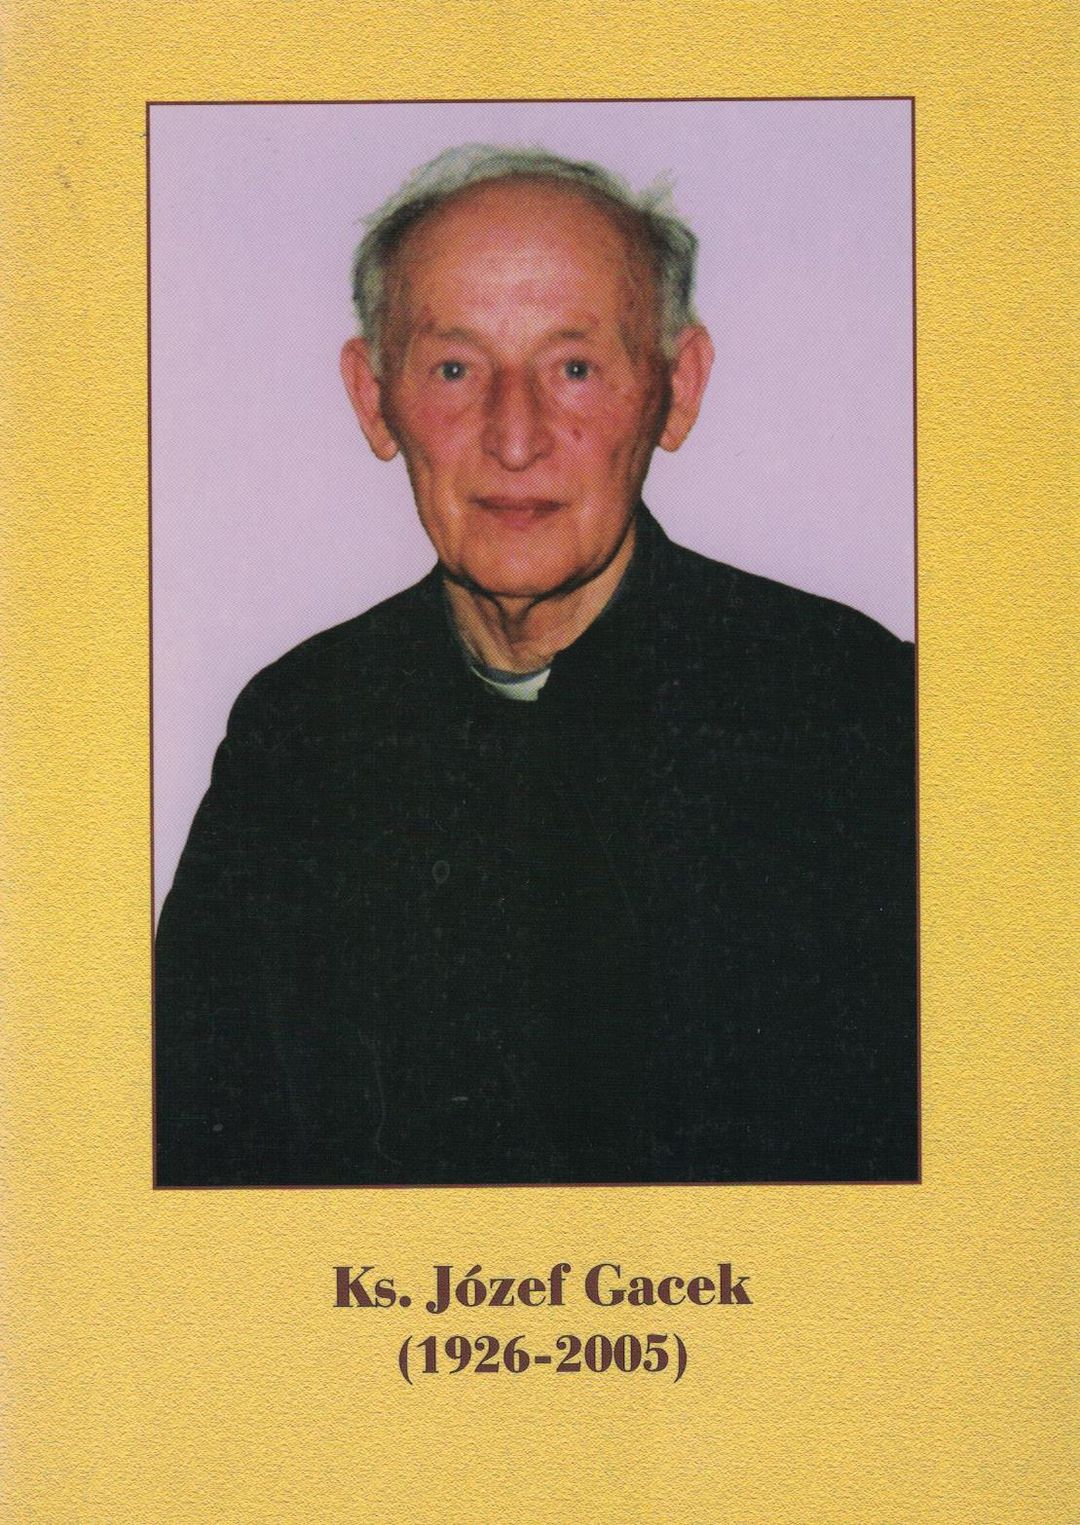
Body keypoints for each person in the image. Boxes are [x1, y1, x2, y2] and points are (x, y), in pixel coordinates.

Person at [155, 146, 916, 1188]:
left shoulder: (854, 715)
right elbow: (190, 1170)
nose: (515, 439)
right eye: (455, 370)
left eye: (574, 369)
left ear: (676, 389)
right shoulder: (297, 733)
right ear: (374, 400)